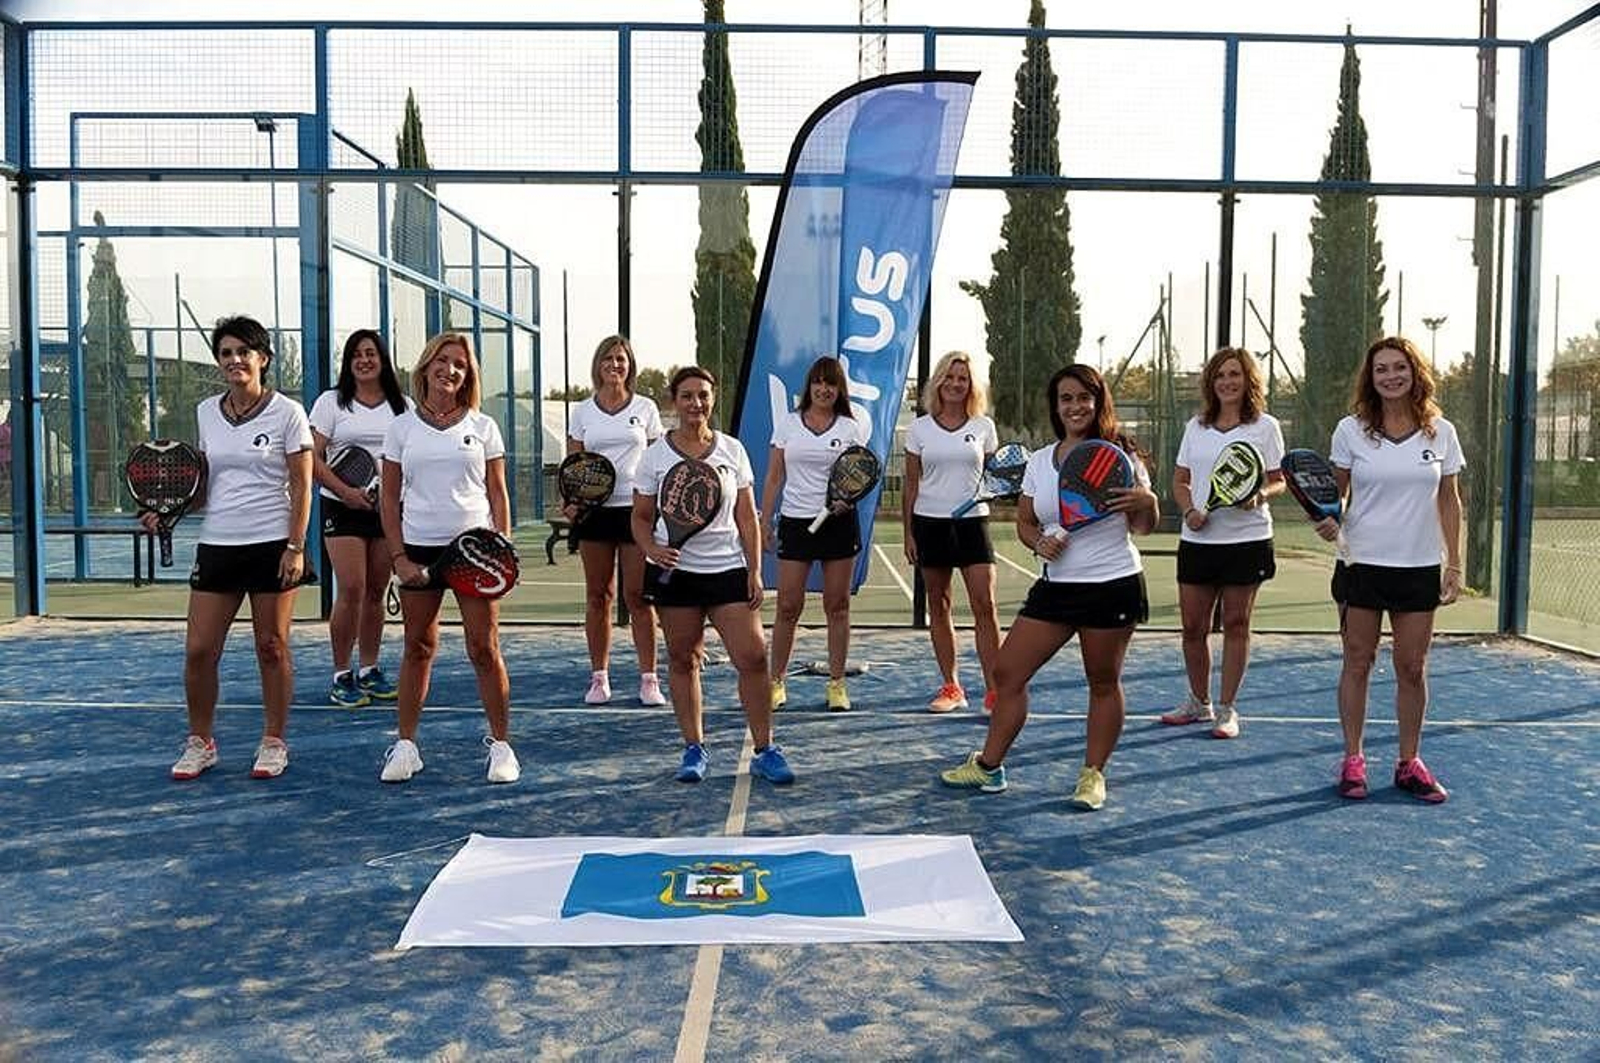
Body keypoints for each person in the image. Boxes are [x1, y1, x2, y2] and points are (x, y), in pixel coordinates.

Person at [940, 364, 1158, 811]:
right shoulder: (1041, 460)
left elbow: (1143, 527)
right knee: (1007, 672)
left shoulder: (1121, 458)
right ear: (1057, 407)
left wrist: (1148, 502)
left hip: (1111, 583)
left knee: (1102, 681)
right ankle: (989, 766)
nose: (1075, 406)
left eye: (1083, 397)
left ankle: (1092, 775)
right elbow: (1025, 520)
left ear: (1098, 402)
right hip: (1056, 589)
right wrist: (1038, 540)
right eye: (1066, 399)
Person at [155, 315, 314, 781]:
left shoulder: (288, 412)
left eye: (243, 352)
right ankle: (200, 742)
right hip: (218, 544)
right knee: (200, 650)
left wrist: (296, 546)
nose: (234, 360)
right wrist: (168, 510)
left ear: (262, 359)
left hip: (272, 544)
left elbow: (302, 486)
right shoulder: (207, 412)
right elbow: (203, 487)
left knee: (271, 645)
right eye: (225, 353)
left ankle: (273, 741)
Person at [1315, 336, 1463, 803]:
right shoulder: (1350, 431)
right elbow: (1334, 495)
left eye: (1399, 367)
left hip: (1418, 566)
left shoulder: (1441, 431)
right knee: (1358, 662)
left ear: (1415, 373)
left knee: (1412, 668)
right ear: (1371, 377)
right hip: (1361, 563)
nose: (1391, 376)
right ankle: (1353, 760)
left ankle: (1408, 762)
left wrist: (1454, 563)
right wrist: (1327, 517)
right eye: (1381, 369)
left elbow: (1449, 498)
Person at [632, 366, 794, 785]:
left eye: (703, 395)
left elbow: (747, 516)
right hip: (676, 573)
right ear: (674, 401)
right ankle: (694, 748)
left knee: (754, 657)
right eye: (686, 396)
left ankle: (765, 749)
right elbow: (641, 517)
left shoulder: (732, 451)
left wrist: (755, 569)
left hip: (727, 570)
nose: (695, 404)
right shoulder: (654, 456)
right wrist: (651, 549)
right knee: (684, 659)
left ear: (712, 399)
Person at [377, 332, 518, 785]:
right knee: (418, 646)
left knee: (483, 648)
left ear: (467, 375)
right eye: (442, 360)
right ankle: (406, 747)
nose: (449, 369)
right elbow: (391, 497)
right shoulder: (400, 428)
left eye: (459, 364)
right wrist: (398, 556)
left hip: (475, 553)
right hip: (418, 550)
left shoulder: (484, 427)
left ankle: (501, 747)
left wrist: (502, 547)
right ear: (426, 367)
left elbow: (497, 492)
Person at [1160, 348, 1286, 739]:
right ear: (1211, 383)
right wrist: (1189, 510)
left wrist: (1260, 495)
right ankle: (1199, 702)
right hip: (1198, 539)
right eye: (1220, 376)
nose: (1227, 382)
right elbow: (1180, 480)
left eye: (1235, 375)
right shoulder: (1196, 427)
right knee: (1193, 627)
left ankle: (1227, 709)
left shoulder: (1265, 426)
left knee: (1236, 622)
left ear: (1248, 381)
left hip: (1247, 538)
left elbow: (1279, 479)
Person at [761, 356, 870, 711]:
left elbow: (857, 476)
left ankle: (837, 684)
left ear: (839, 390)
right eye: (818, 383)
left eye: (831, 383)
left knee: (837, 605)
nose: (824, 389)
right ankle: (775, 681)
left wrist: (846, 502)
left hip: (838, 525)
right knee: (788, 606)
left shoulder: (850, 429)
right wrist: (764, 521)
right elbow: (775, 476)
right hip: (795, 523)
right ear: (809, 387)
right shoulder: (788, 425)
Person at [308, 329, 409, 708]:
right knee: (351, 587)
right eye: (356, 355)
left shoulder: (404, 407)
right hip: (341, 505)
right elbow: (312, 458)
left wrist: (392, 498)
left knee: (375, 591)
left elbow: (411, 457)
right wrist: (346, 492)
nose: (364, 360)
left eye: (371, 354)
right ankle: (341, 674)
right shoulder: (331, 403)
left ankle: (368, 669)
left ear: (383, 360)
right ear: (349, 363)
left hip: (386, 510)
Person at [565, 335, 666, 706]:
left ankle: (649, 678)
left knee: (638, 597)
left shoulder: (647, 407)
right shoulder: (582, 412)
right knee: (599, 596)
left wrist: (657, 507)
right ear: (598, 365)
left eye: (621, 359)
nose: (615, 365)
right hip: (595, 514)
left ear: (630, 365)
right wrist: (572, 502)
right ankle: (599, 678)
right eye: (608, 358)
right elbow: (572, 467)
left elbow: (658, 462)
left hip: (636, 511)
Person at [902, 350, 1002, 714]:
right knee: (939, 605)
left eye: (963, 378)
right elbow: (911, 486)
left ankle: (995, 691)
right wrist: (909, 533)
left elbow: (996, 478)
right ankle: (952, 686)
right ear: (939, 382)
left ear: (971, 385)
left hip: (973, 523)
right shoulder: (919, 429)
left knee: (985, 605)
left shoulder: (983, 428)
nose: (956, 384)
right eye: (950, 377)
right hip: (930, 524)